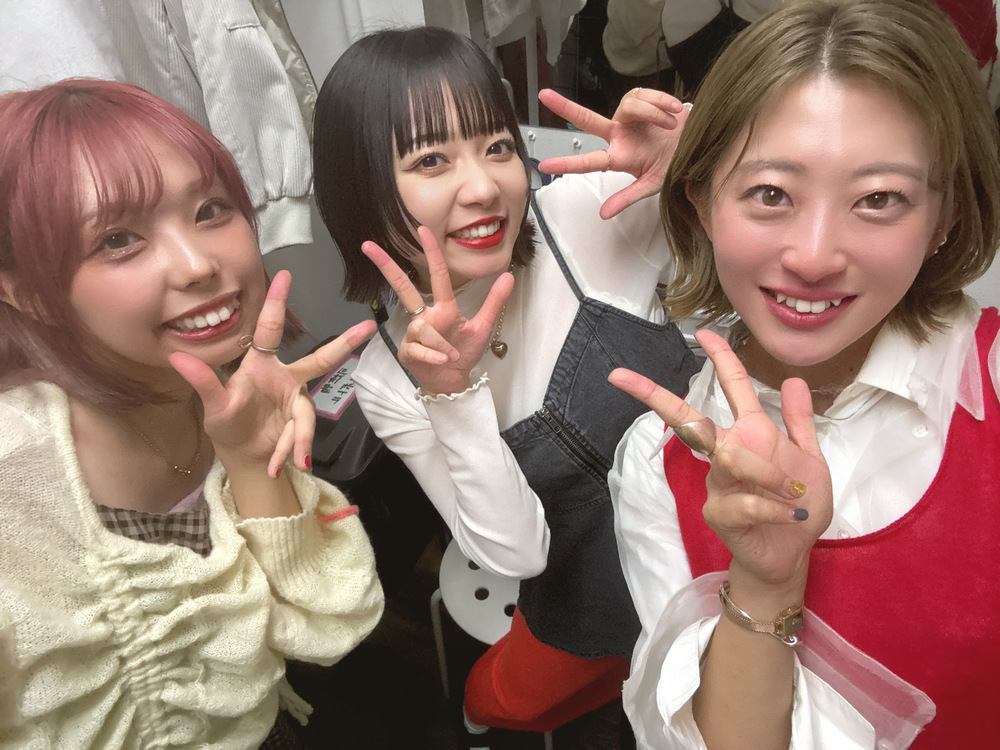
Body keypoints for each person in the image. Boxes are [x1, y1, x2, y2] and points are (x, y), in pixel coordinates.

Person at [607, 0, 1000, 747]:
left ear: (944, 216)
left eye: (879, 199)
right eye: (770, 194)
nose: (814, 256)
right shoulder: (658, 468)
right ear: (702, 201)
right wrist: (766, 582)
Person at [312, 26, 699, 739]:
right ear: (360, 188)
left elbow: (777, 232)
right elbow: (518, 554)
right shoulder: (389, 379)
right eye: (432, 159)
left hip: (719, 562)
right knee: (502, 702)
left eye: (497, 146)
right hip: (589, 602)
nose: (486, 186)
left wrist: (703, 158)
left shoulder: (584, 216)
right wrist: (451, 395)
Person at [0, 79, 384, 748]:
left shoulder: (228, 392)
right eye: (117, 239)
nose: (198, 264)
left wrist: (253, 465)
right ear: (26, 291)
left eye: (210, 209)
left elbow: (323, 630)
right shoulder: (16, 475)